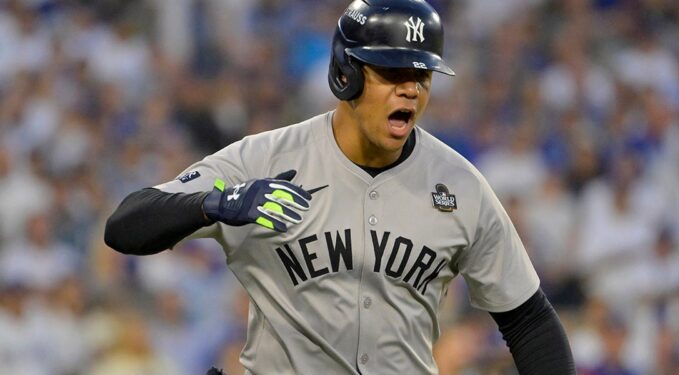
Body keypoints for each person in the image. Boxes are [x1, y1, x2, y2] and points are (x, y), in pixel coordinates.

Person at [104, 0, 575, 374]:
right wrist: (215, 202)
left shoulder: (459, 184)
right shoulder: (266, 158)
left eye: (422, 76)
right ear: (344, 73)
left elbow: (529, 322)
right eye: (393, 73)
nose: (411, 90)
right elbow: (126, 226)